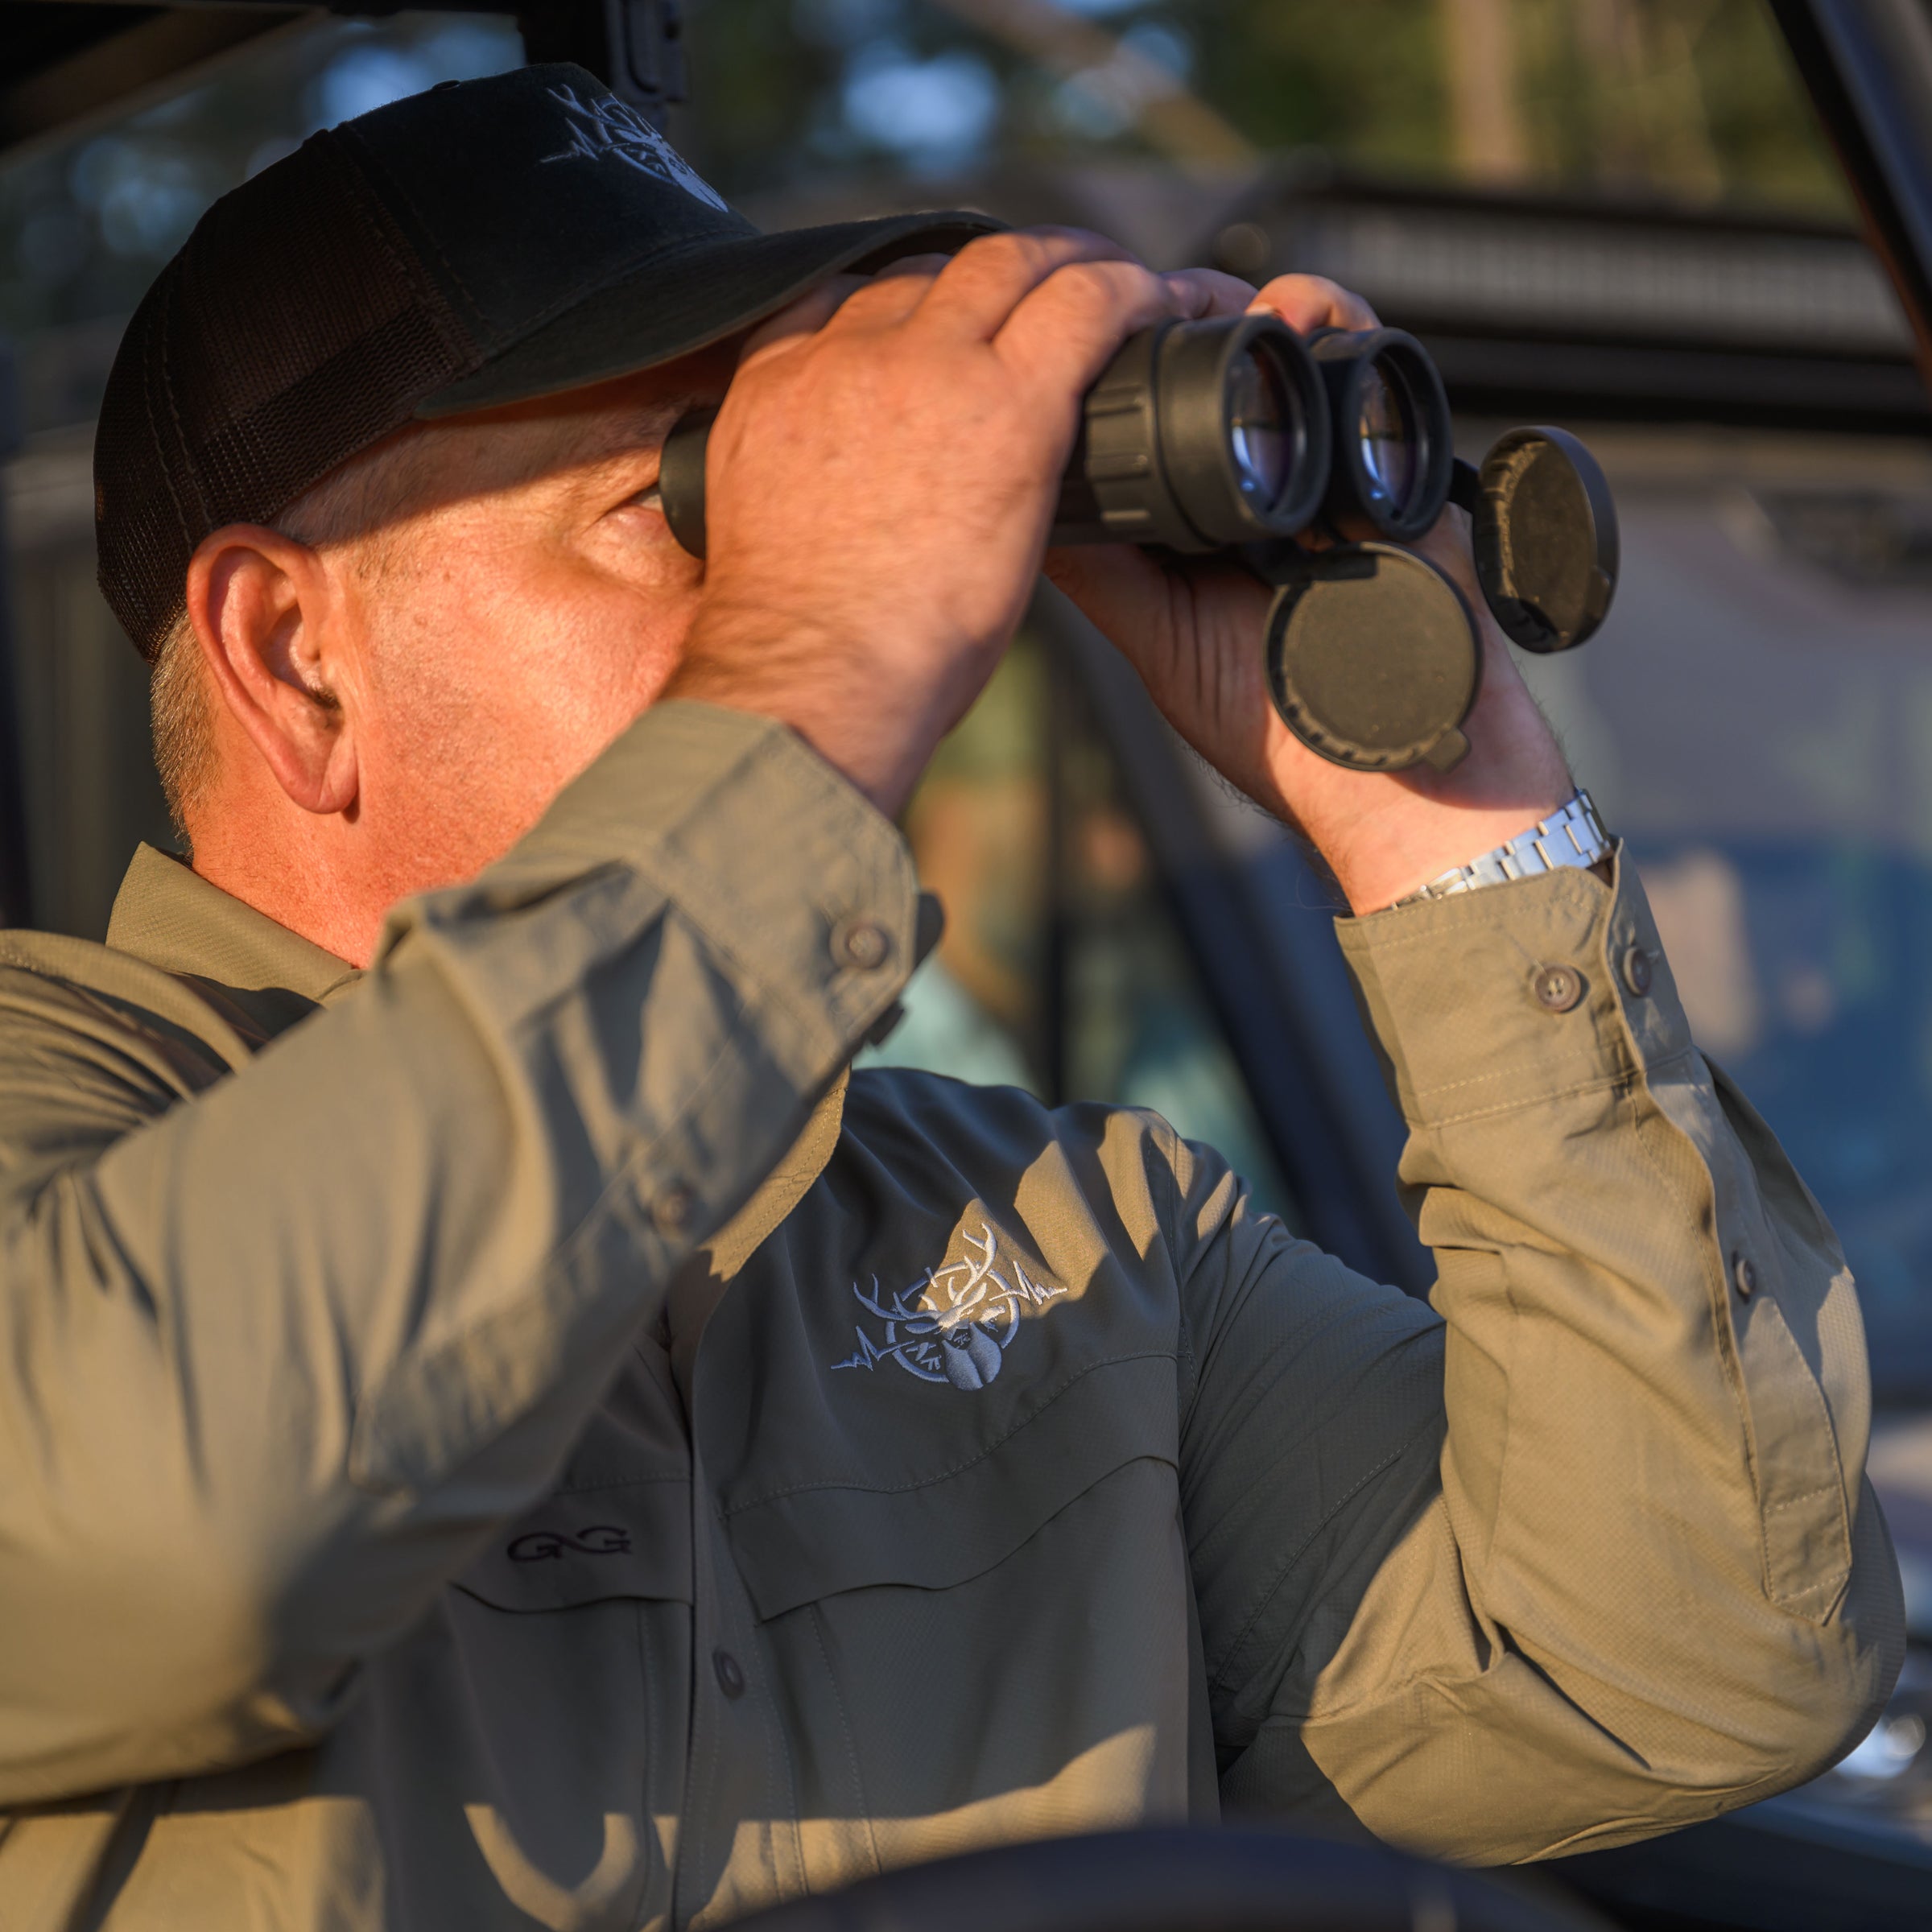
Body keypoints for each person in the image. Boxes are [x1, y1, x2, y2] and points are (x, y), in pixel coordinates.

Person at [0, 63, 1901, 1932]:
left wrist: (1439, 802)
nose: (830, 565)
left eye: (809, 486)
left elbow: (1704, 1657)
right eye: (692, 507)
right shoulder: (62, 1144)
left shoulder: (1076, 1246)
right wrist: (824, 640)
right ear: (295, 657)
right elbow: (162, 1527)